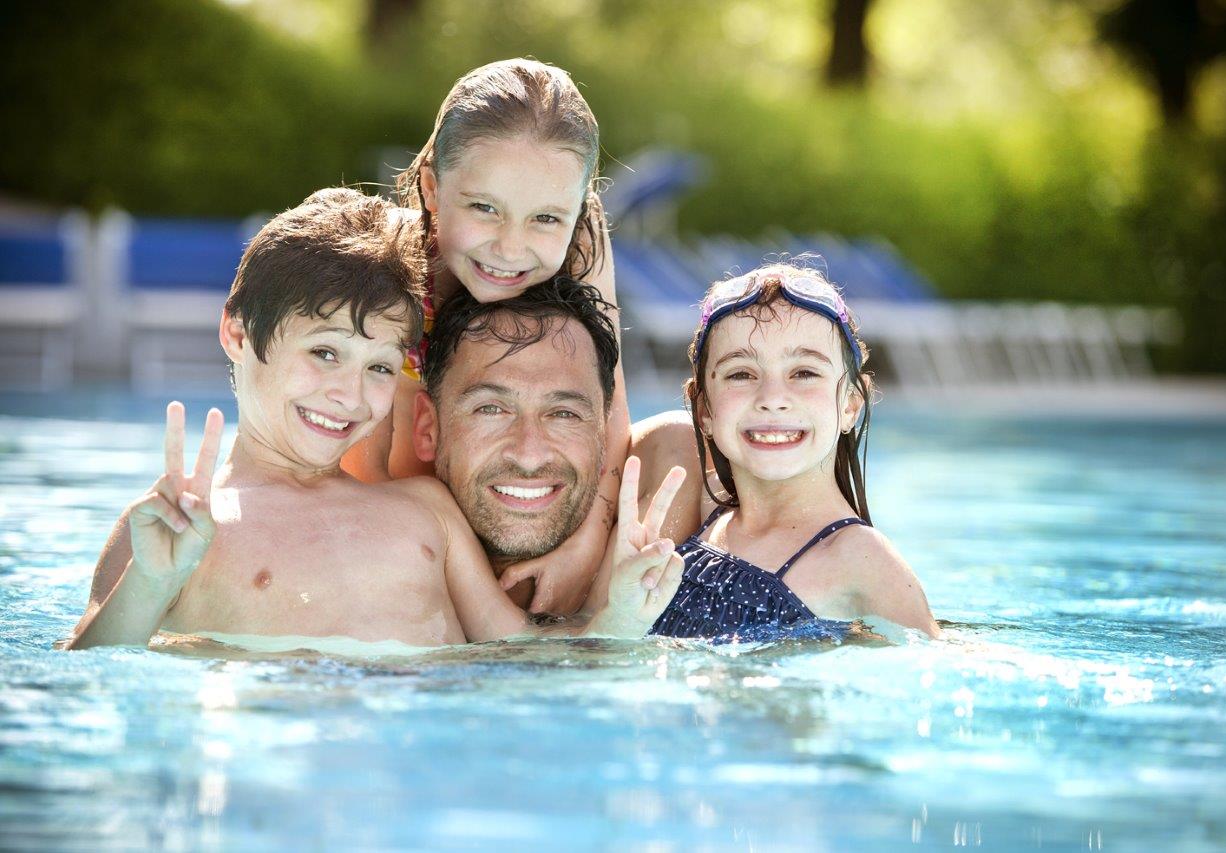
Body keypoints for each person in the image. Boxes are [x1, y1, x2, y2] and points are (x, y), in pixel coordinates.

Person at [65, 188, 682, 652]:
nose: (348, 395)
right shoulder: (182, 529)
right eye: (325, 353)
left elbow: (518, 655)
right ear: (236, 331)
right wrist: (149, 583)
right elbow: (88, 676)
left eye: (381, 368)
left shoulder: (426, 510)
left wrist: (621, 620)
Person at [342, 58, 628, 616]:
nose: (510, 248)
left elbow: (608, 405)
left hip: (517, 491)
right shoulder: (385, 268)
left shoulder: (581, 239)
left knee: (673, 442)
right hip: (410, 494)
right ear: (431, 187)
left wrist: (587, 545)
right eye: (484, 208)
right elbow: (362, 471)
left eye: (546, 219)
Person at [587, 263, 941, 640]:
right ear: (704, 411)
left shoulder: (860, 558)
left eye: (804, 373)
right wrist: (614, 607)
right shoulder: (703, 514)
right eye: (741, 374)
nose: (772, 399)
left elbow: (935, 666)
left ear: (851, 407)